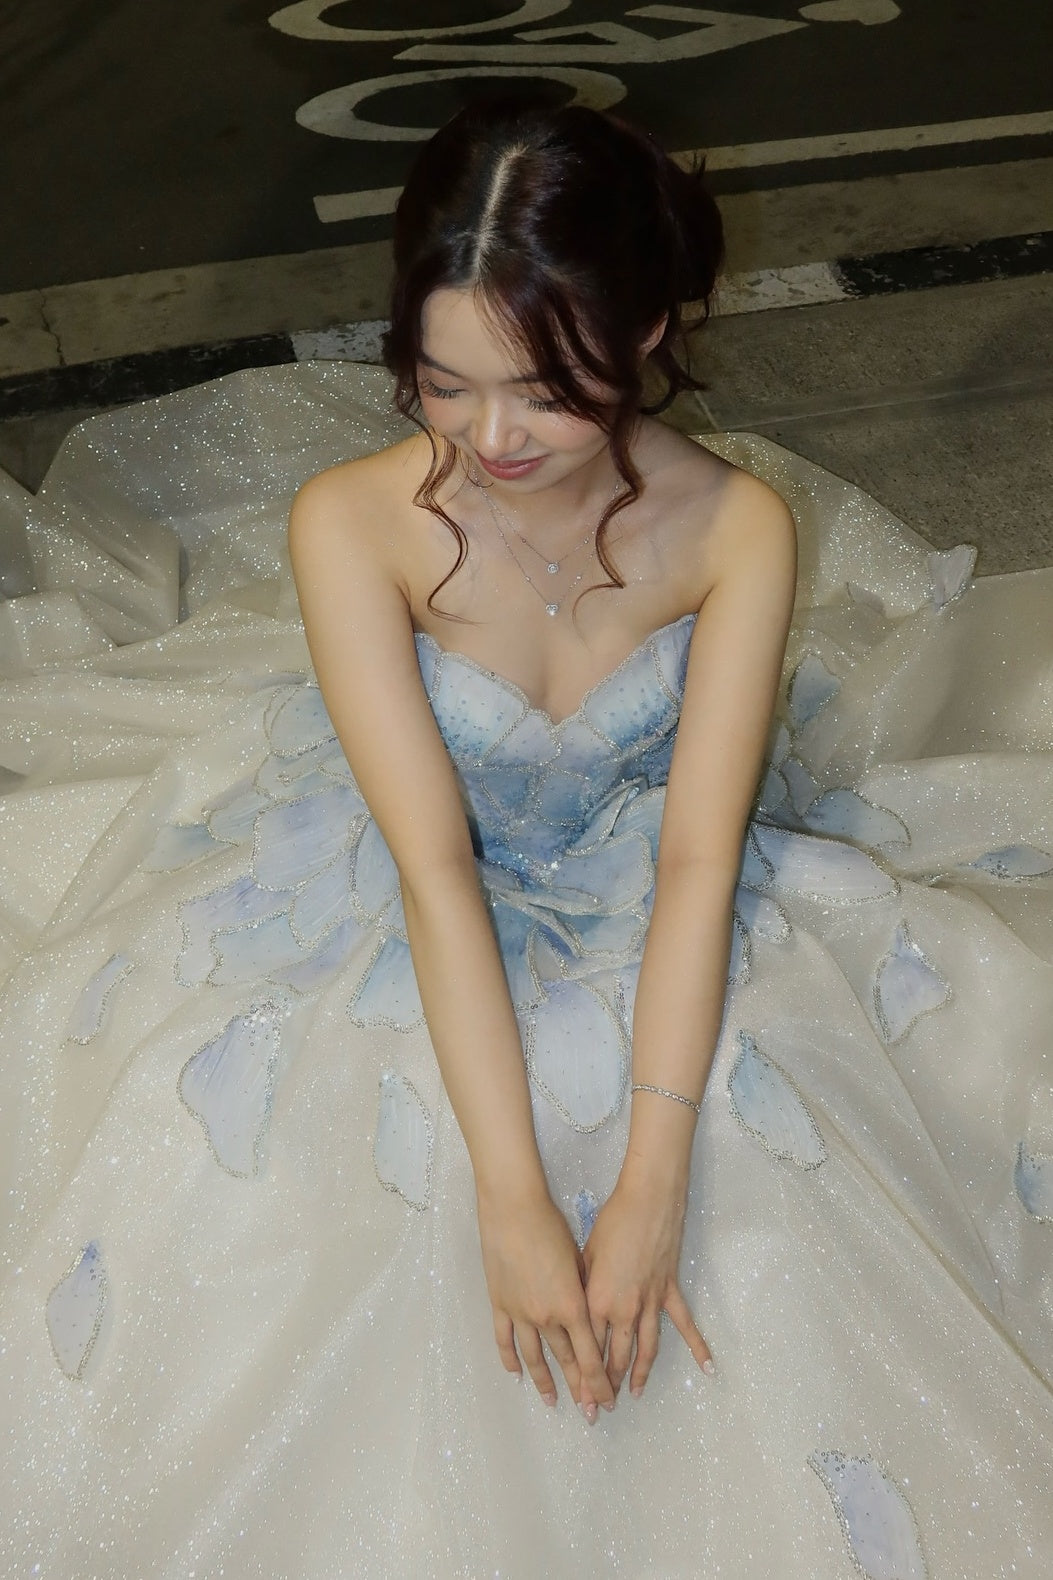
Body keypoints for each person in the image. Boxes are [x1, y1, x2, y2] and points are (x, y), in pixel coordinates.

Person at [0, 96, 1051, 1580]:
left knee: (755, 1146)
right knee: (362, 1164)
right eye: (442, 385)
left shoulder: (736, 527)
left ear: (645, 334)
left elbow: (697, 863)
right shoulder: (350, 523)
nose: (491, 439)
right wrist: (512, 1198)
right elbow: (433, 871)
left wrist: (649, 1184)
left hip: (665, 876)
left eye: (546, 393)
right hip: (409, 888)